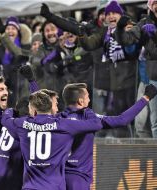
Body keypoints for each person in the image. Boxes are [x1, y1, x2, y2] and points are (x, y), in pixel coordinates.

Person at [41, 1, 138, 137]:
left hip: (130, 82)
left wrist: (123, 29)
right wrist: (51, 17)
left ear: (121, 14)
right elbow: (87, 42)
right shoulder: (104, 32)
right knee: (110, 122)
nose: (110, 16)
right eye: (107, 13)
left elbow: (132, 48)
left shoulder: (131, 28)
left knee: (133, 120)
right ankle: (109, 151)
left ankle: (136, 152)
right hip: (110, 84)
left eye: (114, 13)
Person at [60, 83, 157, 190]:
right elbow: (122, 120)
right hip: (78, 178)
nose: (89, 100)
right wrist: (145, 98)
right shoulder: (91, 119)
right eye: (87, 97)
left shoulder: (56, 119)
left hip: (56, 176)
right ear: (80, 101)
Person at [1, 91, 103, 190]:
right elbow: (97, 124)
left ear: (34, 111)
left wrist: (10, 110)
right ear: (51, 108)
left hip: (31, 187)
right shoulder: (65, 124)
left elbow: (5, 120)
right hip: (55, 187)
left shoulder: (22, 124)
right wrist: (87, 110)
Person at [116, 0, 157, 137]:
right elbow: (127, 40)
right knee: (156, 123)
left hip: (153, 79)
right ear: (150, 6)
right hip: (155, 80)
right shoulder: (144, 23)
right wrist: (120, 29)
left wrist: (156, 35)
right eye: (155, 3)